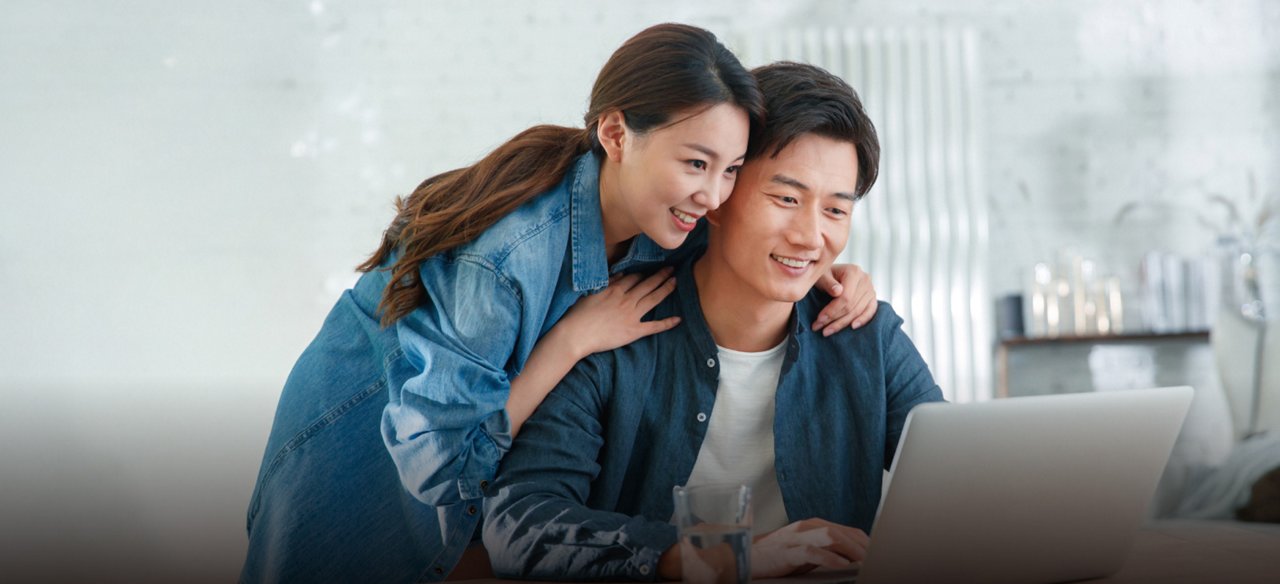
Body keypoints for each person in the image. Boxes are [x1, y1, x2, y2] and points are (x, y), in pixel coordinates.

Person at [241, 25, 879, 583]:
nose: (715, 196)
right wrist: (571, 341)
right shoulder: (504, 259)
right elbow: (443, 469)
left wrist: (836, 272)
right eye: (696, 163)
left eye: (732, 170)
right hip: (358, 472)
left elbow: (756, 251)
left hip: (469, 497)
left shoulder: (659, 224)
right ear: (616, 134)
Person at [482, 61, 946, 581]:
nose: (810, 237)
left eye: (835, 211)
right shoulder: (614, 331)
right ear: (719, 197)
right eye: (787, 199)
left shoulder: (866, 335)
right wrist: (719, 558)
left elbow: (963, 483)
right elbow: (519, 523)